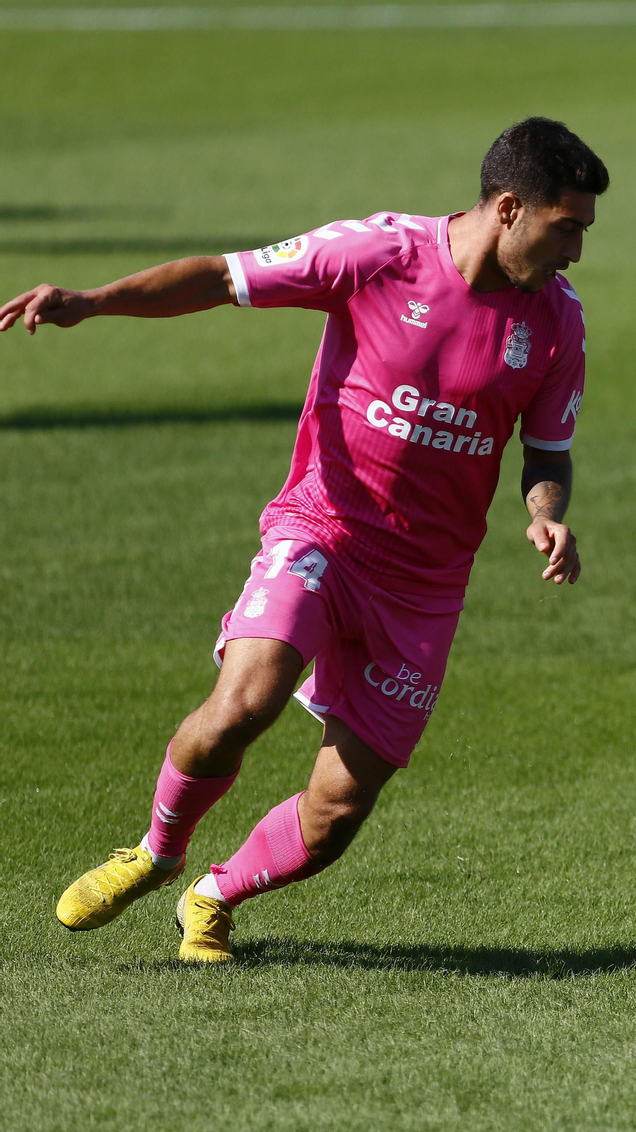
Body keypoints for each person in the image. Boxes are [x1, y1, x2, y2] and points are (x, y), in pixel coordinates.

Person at [4, 117, 604, 964]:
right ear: (509, 207)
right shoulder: (380, 254)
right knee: (243, 704)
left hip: (425, 584)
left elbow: (546, 450)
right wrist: (97, 301)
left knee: (335, 817)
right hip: (322, 527)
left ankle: (212, 894)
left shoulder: (557, 324)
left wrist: (546, 510)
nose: (577, 249)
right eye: (567, 226)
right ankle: (154, 850)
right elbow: (222, 276)